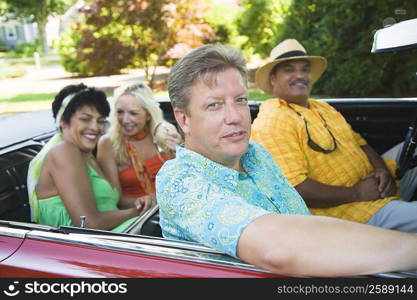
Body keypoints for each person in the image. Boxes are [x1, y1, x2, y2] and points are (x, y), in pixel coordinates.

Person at [156, 43, 417, 277]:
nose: (235, 116)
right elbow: (276, 248)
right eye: (214, 105)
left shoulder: (257, 154)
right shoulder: (178, 180)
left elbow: (305, 225)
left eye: (240, 100)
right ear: (183, 120)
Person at [251, 39, 417, 232]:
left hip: (376, 186)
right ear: (273, 79)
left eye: (305, 69)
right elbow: (294, 189)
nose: (300, 75)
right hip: (350, 212)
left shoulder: (322, 107)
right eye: (289, 70)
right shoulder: (273, 121)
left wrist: (382, 172)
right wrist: (357, 193)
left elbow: (360, 143)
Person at [27, 84, 143, 232]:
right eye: (86, 119)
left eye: (100, 121)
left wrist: (143, 202)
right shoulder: (64, 151)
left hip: (117, 237)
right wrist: (139, 212)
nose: (95, 127)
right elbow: (89, 224)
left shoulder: (88, 156)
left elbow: (112, 205)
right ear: (63, 121)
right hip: (88, 248)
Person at [97, 82, 181, 210]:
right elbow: (116, 199)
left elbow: (184, 177)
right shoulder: (108, 143)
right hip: (139, 217)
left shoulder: (164, 134)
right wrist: (144, 201)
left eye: (133, 113)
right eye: (120, 112)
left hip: (176, 206)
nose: (125, 120)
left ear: (148, 114)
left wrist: (181, 150)